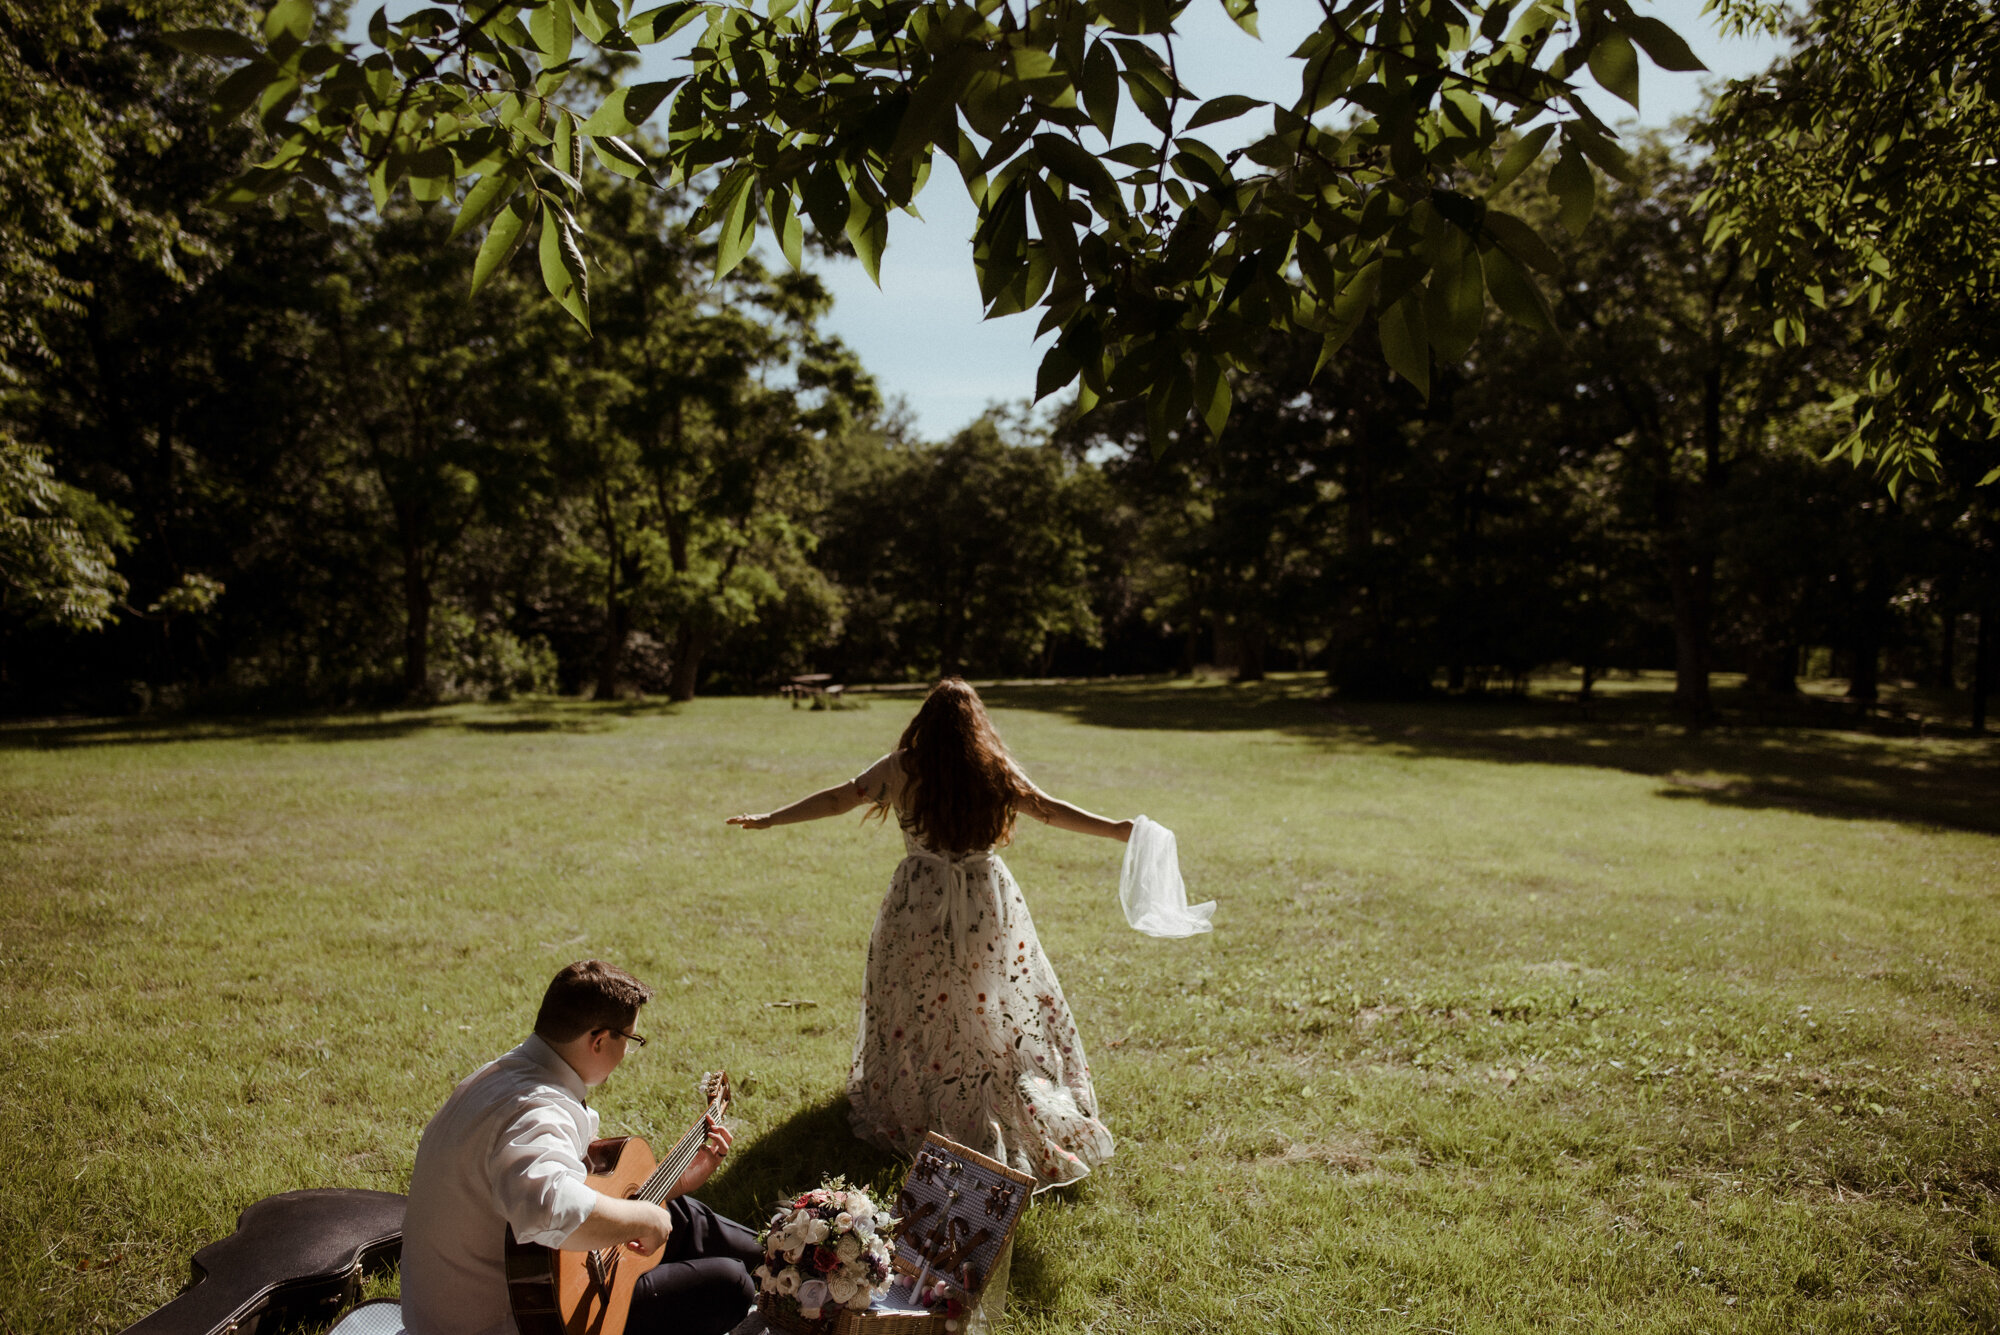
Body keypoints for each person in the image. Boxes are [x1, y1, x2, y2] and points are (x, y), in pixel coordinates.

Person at [728, 678, 1129, 1190]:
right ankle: (981, 1089)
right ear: (975, 726)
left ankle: (929, 1092)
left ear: (925, 722)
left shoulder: (902, 767)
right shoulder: (992, 769)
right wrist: (1115, 828)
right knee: (986, 1001)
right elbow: (1049, 809)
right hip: (985, 898)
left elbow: (836, 800)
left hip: (919, 898)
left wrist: (770, 818)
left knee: (919, 1002)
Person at [400, 960, 762, 1335]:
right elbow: (546, 1206)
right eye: (631, 1040)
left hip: (489, 1293)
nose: (627, 1055)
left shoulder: (504, 1077)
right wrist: (646, 1219)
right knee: (729, 1283)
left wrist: (671, 1186)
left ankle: (785, 1257)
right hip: (517, 1320)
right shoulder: (538, 1111)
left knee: (682, 1213)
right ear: (599, 1040)